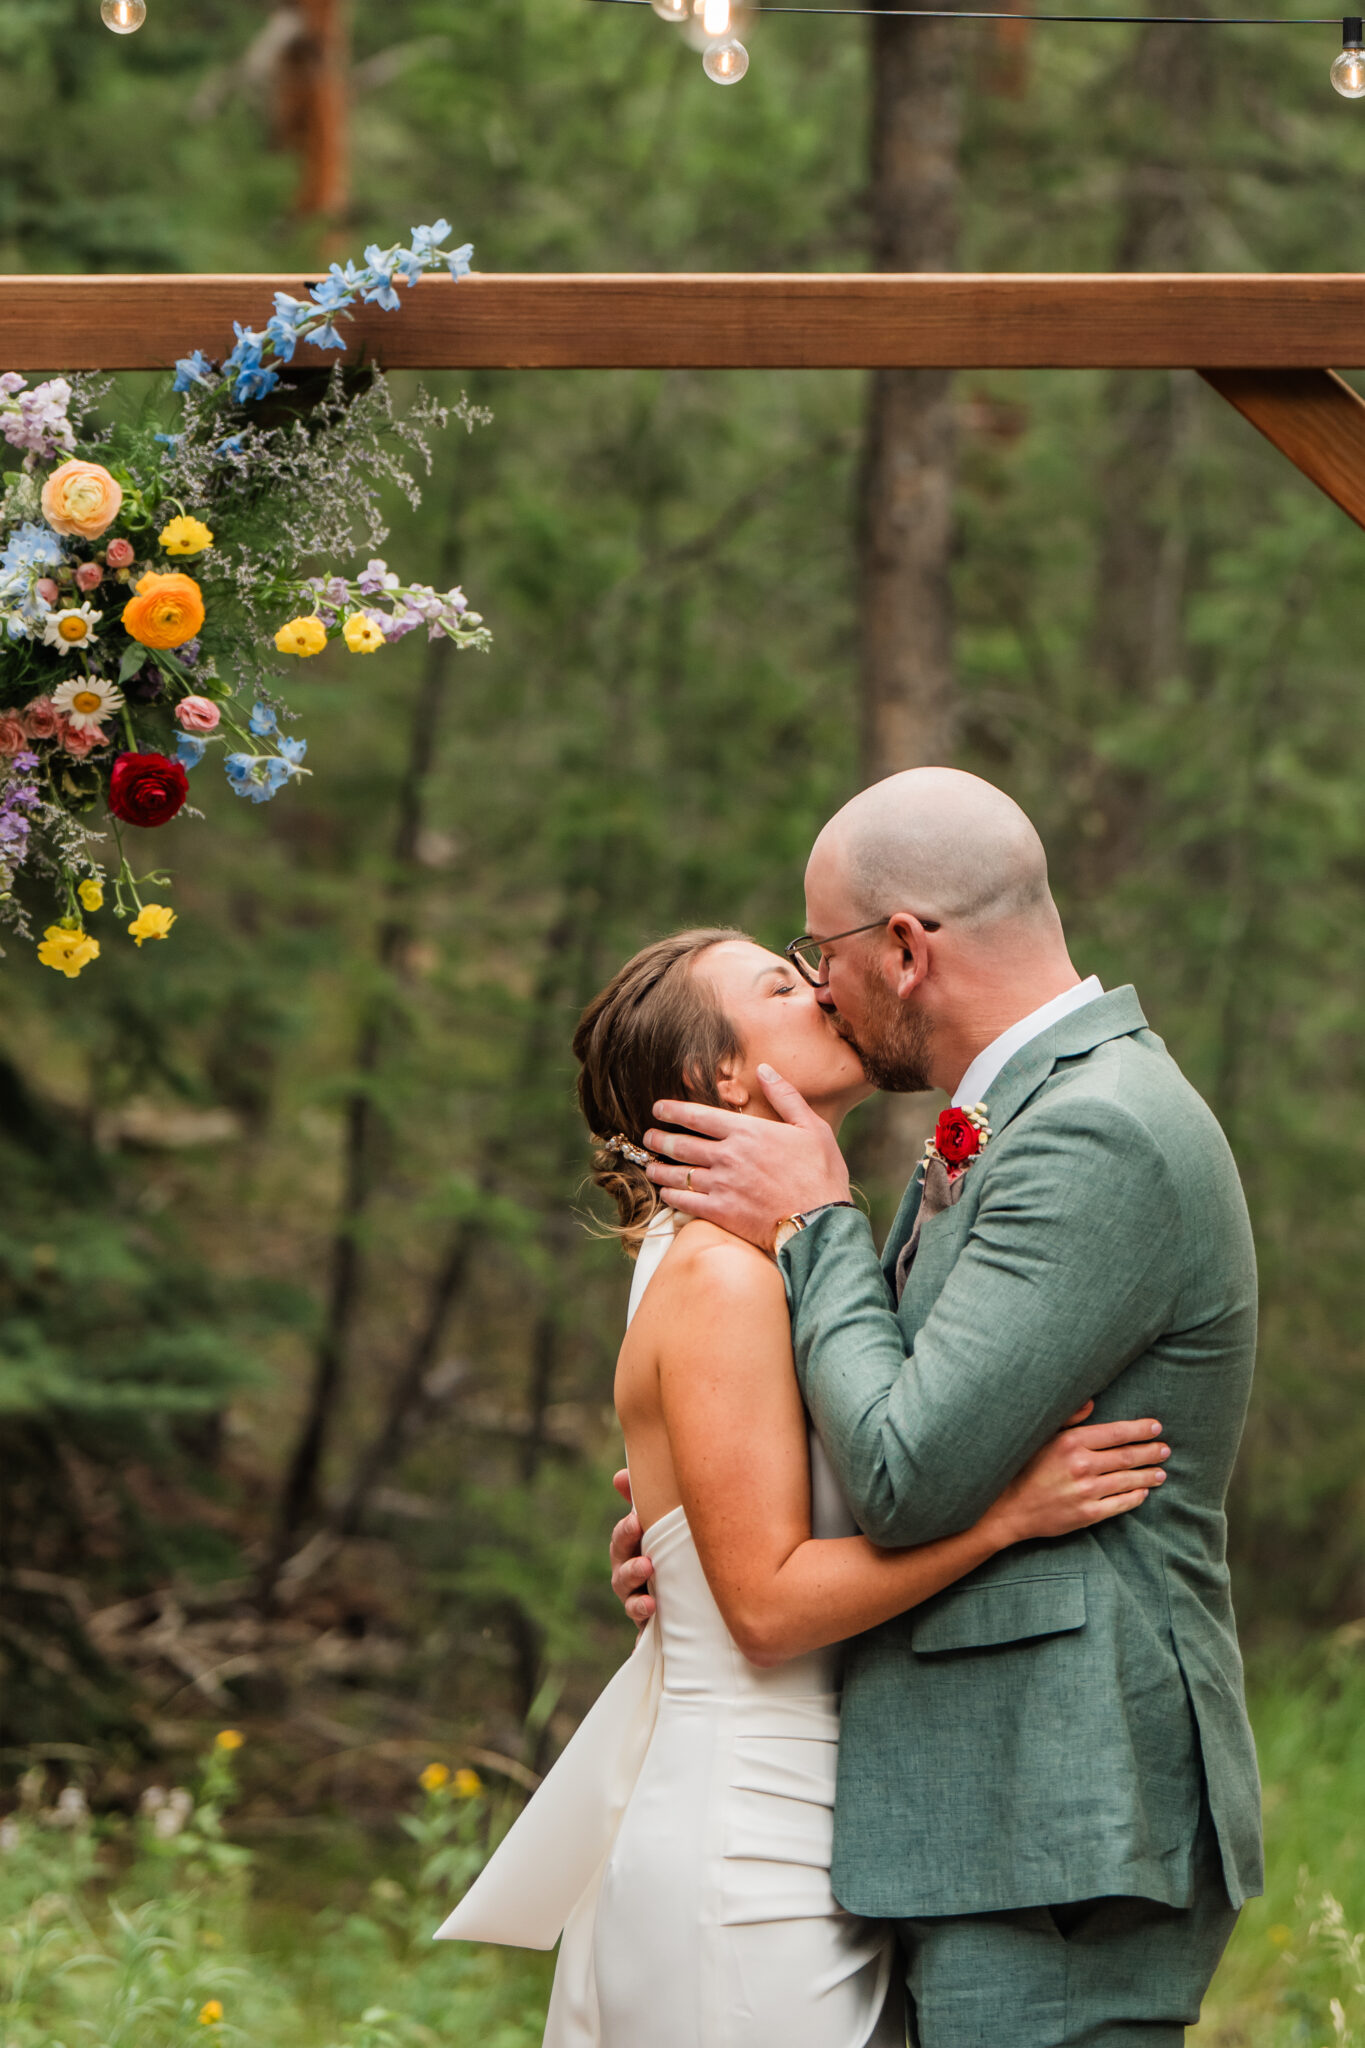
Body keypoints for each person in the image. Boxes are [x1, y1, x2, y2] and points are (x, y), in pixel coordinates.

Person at [437, 924, 1173, 2048]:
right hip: (745, 1850)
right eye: (781, 984)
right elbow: (770, 1608)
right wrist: (1007, 1516)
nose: (822, 988)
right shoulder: (725, 1278)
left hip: (810, 1831)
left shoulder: (760, 1257)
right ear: (716, 1076)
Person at [619, 767, 1262, 2047]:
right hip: (977, 1821)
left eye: (825, 952)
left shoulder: (1099, 1129)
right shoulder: (1005, 1117)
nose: (823, 985)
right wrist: (708, 1532)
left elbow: (912, 1463)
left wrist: (816, 1222)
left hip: (1060, 1820)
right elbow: (911, 1413)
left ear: (905, 948)